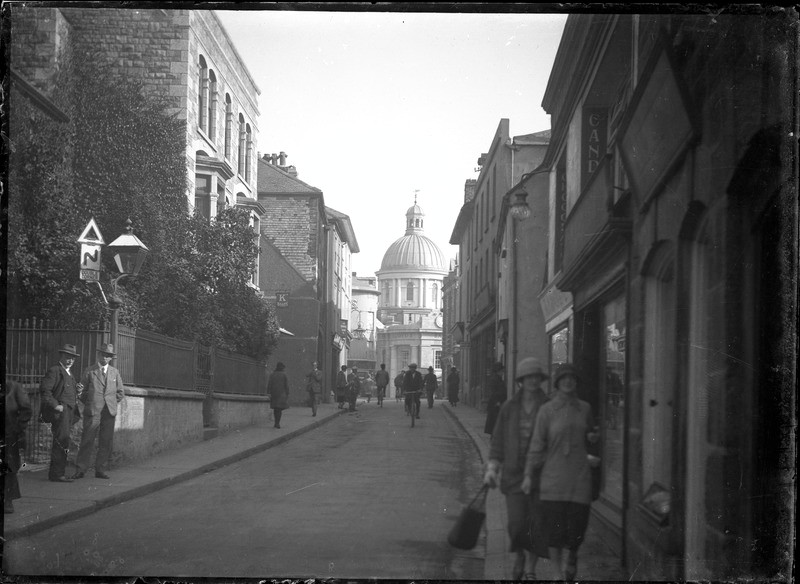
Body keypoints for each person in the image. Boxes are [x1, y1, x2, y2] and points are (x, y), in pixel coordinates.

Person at [522, 363, 600, 581]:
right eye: (564, 378)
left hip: (579, 478)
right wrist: (528, 474)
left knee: (577, 530)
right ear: (557, 383)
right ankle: (557, 574)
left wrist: (593, 439)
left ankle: (573, 555)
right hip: (553, 479)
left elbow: (592, 438)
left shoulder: (585, 408)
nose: (568, 382)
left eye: (572, 379)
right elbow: (536, 445)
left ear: (576, 383)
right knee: (554, 533)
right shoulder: (546, 411)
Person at [484, 358, 550, 579]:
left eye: (536, 377)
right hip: (513, 476)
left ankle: (530, 568)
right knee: (515, 523)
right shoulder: (509, 407)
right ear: (521, 380)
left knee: (538, 524)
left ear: (540, 380)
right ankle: (520, 554)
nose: (532, 381)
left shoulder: (548, 406)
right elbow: (499, 439)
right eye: (528, 377)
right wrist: (493, 467)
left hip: (542, 476)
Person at [72, 343, 126, 480]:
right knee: (87, 440)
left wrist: (111, 404)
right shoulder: (90, 371)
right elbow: (82, 392)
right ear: (99, 355)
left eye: (108, 356)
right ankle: (81, 469)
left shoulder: (115, 372)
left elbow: (120, 392)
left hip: (109, 412)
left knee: (105, 441)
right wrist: (91, 403)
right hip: (93, 411)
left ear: (111, 358)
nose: (105, 358)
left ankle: (100, 469)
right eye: (103, 355)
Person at [40, 344, 83, 483]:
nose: (70, 360)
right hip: (61, 411)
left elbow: (69, 392)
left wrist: (79, 391)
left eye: (73, 358)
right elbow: (45, 391)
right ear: (61, 356)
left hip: (69, 412)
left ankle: (58, 473)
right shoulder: (55, 370)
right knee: (61, 441)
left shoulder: (70, 373)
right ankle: (57, 474)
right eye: (67, 357)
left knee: (64, 441)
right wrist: (56, 405)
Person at [4, 379, 32, 513]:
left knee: (9, 466)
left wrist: (17, 428)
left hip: (8, 434)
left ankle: (7, 500)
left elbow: (26, 409)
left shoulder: (13, 387)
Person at [484, 361, 507, 435]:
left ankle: (495, 436)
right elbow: (493, 392)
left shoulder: (498, 378)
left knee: (497, 423)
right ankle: (494, 437)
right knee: (495, 423)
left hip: (499, 403)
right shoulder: (494, 379)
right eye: (501, 371)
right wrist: (497, 402)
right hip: (495, 404)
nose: (503, 372)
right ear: (498, 371)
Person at [267, 362, 290, 429]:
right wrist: (287, 393)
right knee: (279, 409)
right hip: (281, 394)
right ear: (282, 368)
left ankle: (275, 423)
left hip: (274, 394)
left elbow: (269, 384)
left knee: (275, 409)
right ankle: (277, 423)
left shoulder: (272, 374)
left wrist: (268, 392)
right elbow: (287, 385)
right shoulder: (284, 375)